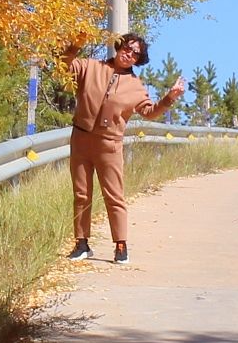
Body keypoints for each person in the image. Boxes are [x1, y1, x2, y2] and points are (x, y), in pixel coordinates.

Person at [66, 32, 183, 264]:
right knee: (81, 194)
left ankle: (121, 245)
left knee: (114, 196)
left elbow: (150, 112)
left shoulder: (135, 87)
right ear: (119, 47)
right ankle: (81, 243)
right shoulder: (91, 67)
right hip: (81, 139)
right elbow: (64, 65)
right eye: (126, 48)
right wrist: (77, 41)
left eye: (135, 53)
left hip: (109, 145)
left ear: (138, 60)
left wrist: (169, 98)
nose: (129, 54)